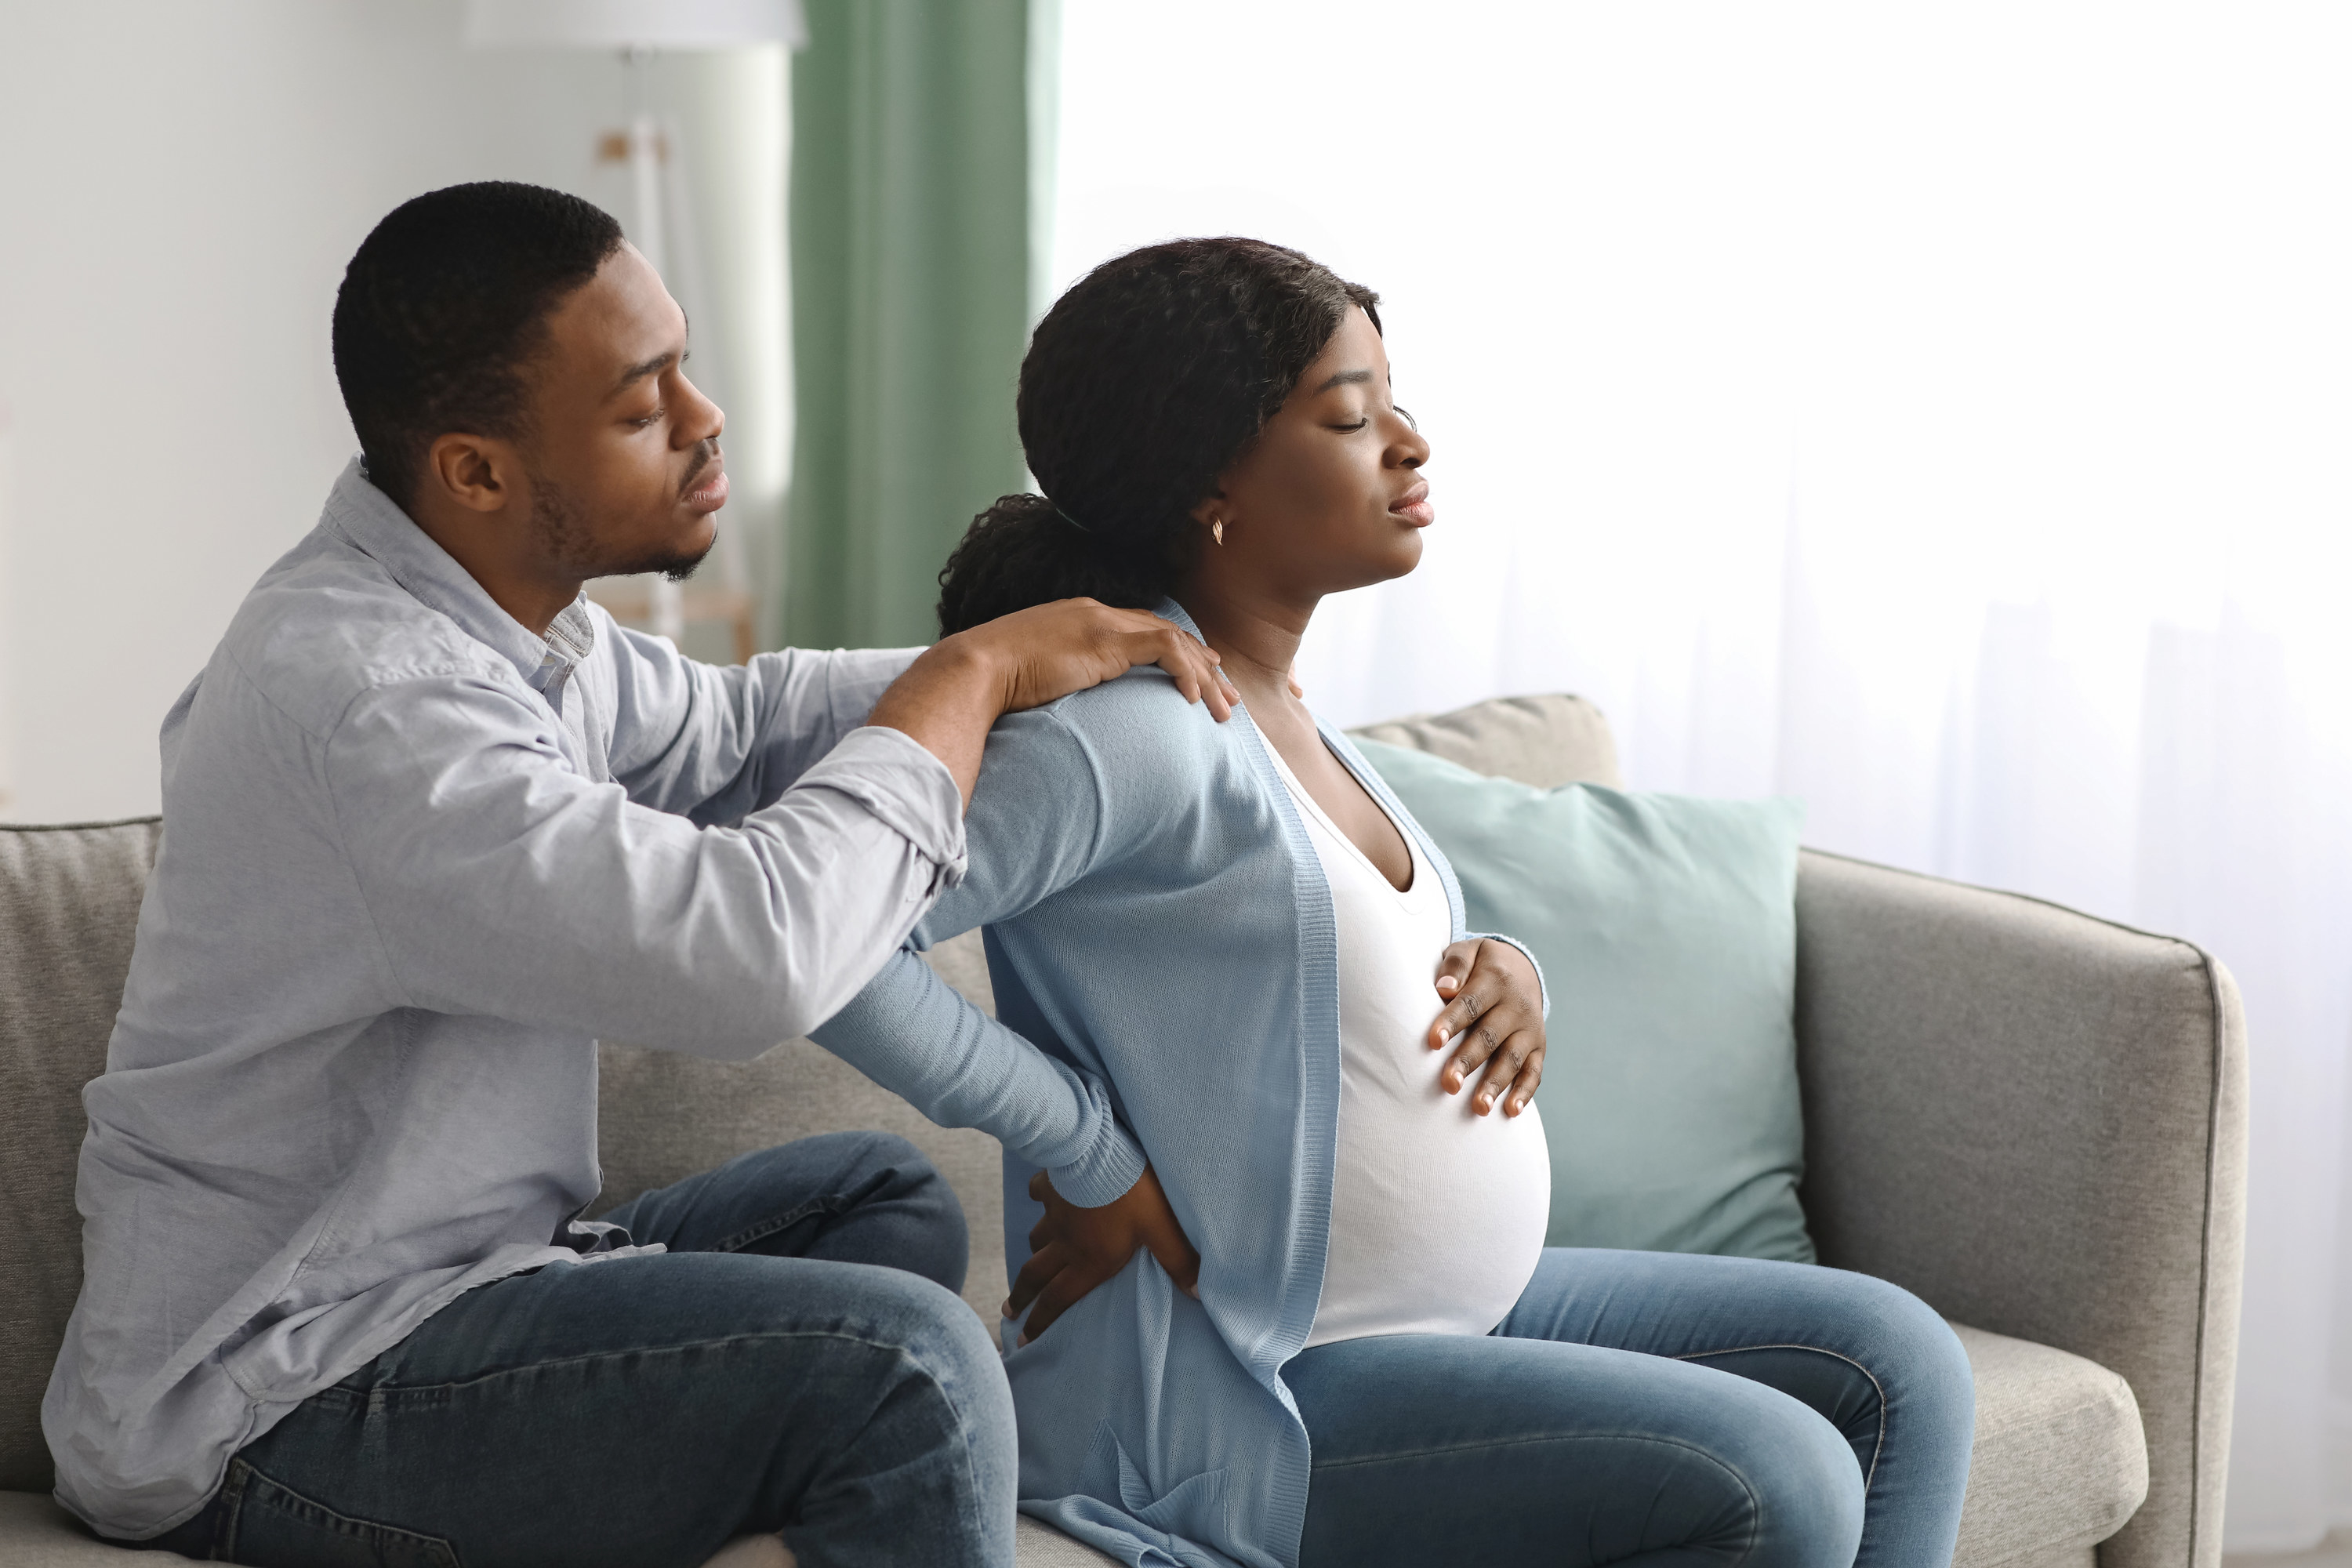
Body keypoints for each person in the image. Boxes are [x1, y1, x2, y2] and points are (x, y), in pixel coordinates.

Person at [42, 183, 1231, 1568]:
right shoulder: (378, 707)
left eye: (683, 363)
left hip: (472, 1281)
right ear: (477, 472)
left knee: (879, 1202)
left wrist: (1064, 645)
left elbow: (736, 728)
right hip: (274, 1395)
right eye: (641, 400)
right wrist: (975, 674)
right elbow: (757, 957)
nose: (705, 416)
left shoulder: (505, 623)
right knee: (903, 1363)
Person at [810, 238, 1979, 1567]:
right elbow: (833, 950)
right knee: (1776, 1480)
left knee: (1900, 1367)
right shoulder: (1127, 739)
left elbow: (1326, 969)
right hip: (1264, 1387)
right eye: (1355, 416)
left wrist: (1507, 968)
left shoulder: (1289, 712)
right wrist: (1088, 1148)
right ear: (1212, 482)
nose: (1412, 445)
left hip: (1445, 1319)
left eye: (1395, 404)